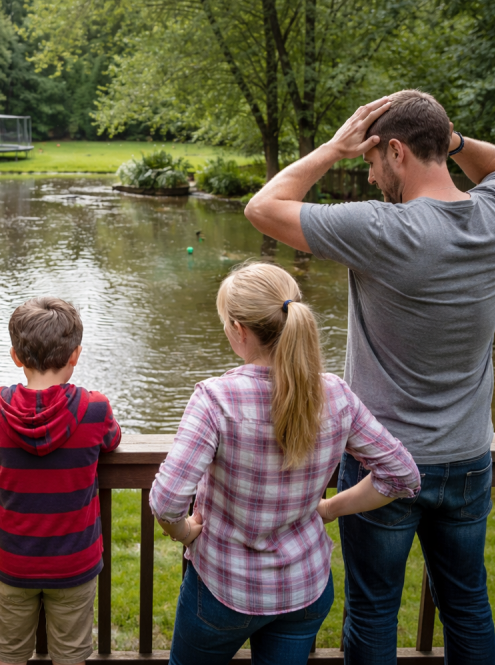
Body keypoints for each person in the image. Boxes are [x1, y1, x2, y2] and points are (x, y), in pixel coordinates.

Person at [243, 90, 495, 664]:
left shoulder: (385, 230)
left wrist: (330, 149)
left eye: (372, 162)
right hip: (469, 458)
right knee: (468, 604)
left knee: (374, 610)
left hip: (382, 461)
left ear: (395, 151)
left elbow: (263, 208)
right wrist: (452, 140)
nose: (371, 178)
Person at [150, 262, 421, 665]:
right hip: (303, 589)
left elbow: (167, 500)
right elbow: (402, 475)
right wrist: (329, 508)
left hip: (225, 589)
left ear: (239, 331)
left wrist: (185, 532)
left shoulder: (216, 399)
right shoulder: (335, 394)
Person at [0, 297, 121, 665]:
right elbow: (112, 440)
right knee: (71, 657)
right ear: (76, 354)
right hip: (74, 562)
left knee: (8, 656)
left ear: (15, 356)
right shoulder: (95, 408)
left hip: (12, 561)